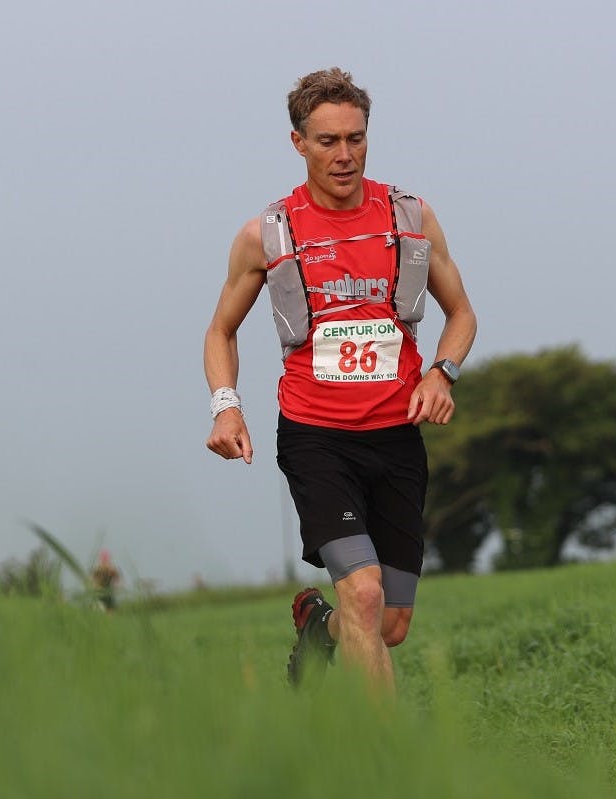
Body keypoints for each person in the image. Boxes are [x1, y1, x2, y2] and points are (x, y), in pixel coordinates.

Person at [204, 67, 476, 692]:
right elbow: (220, 330)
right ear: (298, 142)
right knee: (366, 595)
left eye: (355, 138)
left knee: (390, 623)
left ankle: (314, 628)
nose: (344, 155)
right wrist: (226, 406)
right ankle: (389, 765)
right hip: (316, 438)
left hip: (397, 439)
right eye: (328, 141)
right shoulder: (266, 235)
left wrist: (442, 372)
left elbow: (462, 313)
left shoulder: (411, 218)